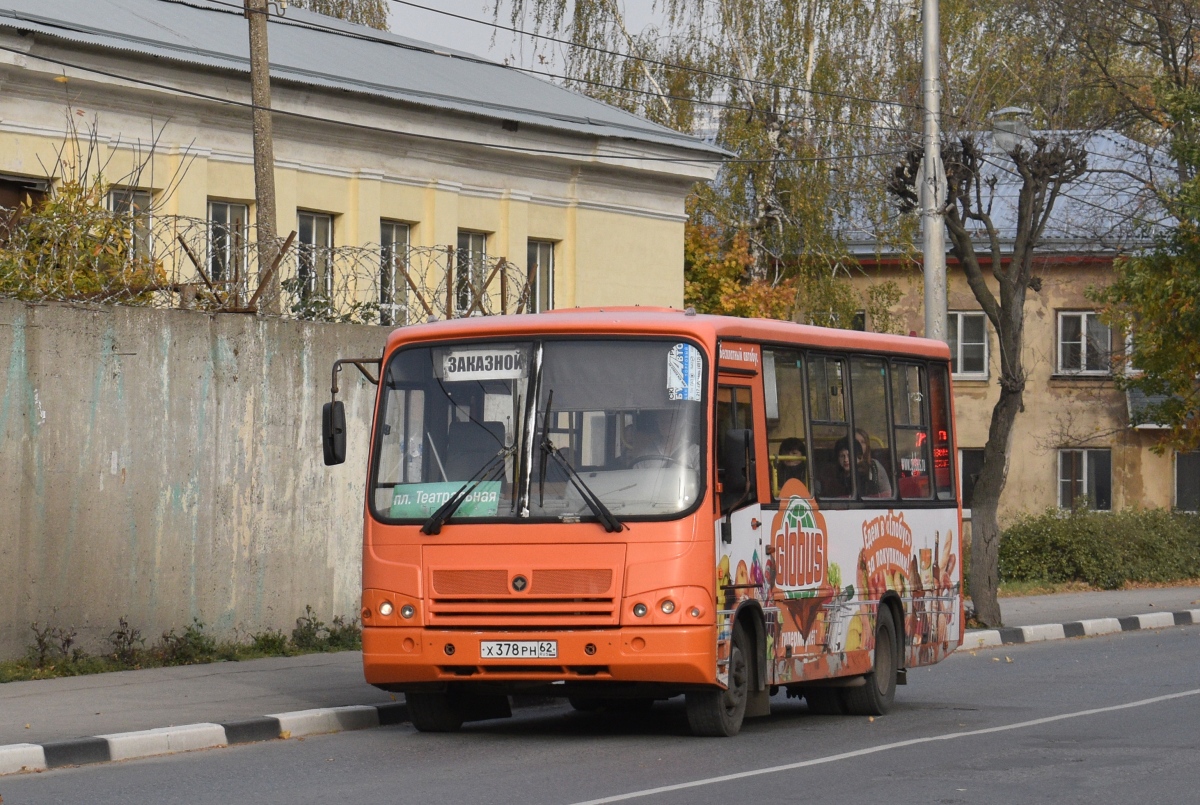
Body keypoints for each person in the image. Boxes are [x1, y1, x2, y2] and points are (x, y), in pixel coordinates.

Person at [820, 429, 891, 498]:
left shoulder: (868, 475)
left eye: (849, 455)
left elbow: (886, 494)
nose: (846, 460)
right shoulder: (832, 475)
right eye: (842, 456)